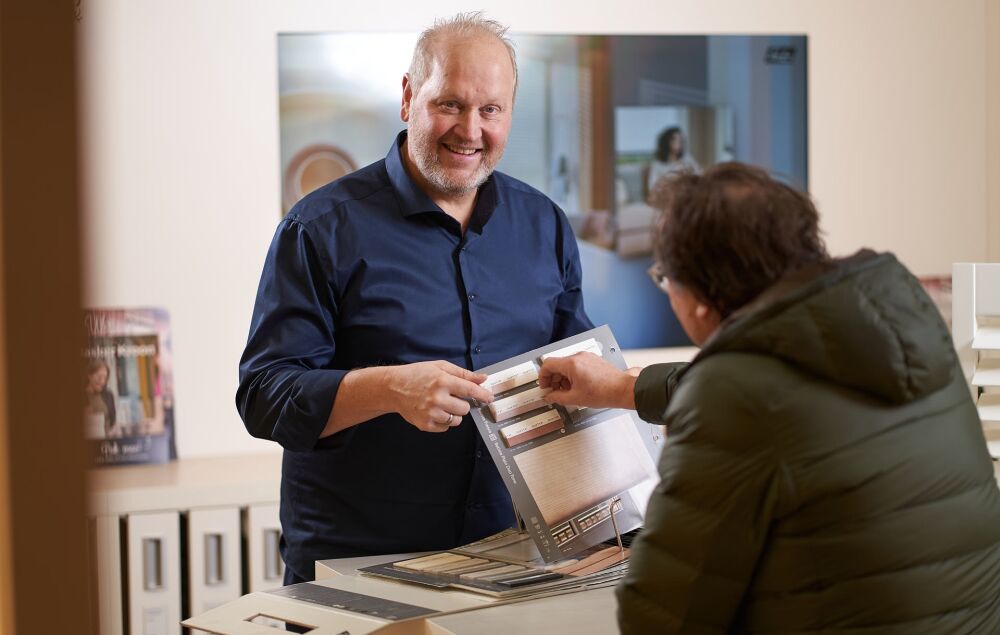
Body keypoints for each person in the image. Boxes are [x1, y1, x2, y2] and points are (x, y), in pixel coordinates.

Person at [540, 163, 1000, 633]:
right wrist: (621, 387)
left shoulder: (736, 394)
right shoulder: (899, 324)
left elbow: (661, 617)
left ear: (699, 295)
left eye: (665, 278)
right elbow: (780, 387)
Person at [237, 12, 592, 586]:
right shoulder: (320, 228)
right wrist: (386, 388)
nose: (470, 130)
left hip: (512, 557)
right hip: (361, 564)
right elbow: (263, 395)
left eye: (490, 110)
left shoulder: (544, 224)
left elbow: (574, 378)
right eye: (449, 104)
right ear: (408, 97)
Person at [646, 126, 699, 196]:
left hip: (688, 193)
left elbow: (699, 173)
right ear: (667, 142)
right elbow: (652, 186)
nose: (679, 142)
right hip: (667, 195)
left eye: (680, 139)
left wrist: (690, 173)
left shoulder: (686, 157)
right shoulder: (658, 164)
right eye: (675, 139)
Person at [84, 358, 117, 438]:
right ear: (89, 376)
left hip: (107, 441)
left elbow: (113, 422)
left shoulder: (108, 395)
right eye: (99, 377)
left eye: (105, 378)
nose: (102, 381)